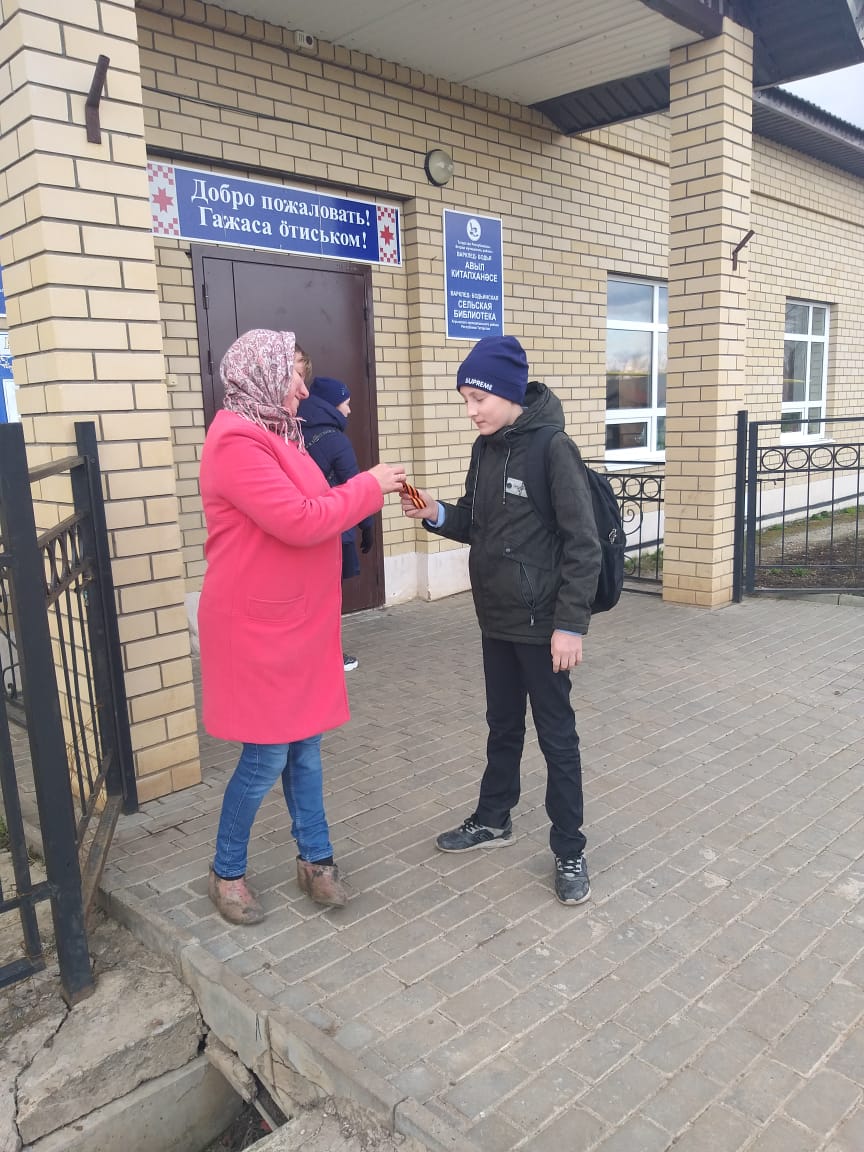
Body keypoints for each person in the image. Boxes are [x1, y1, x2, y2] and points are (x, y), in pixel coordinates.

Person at [198, 329, 406, 924]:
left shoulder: (278, 434)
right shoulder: (236, 441)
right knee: (266, 755)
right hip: (257, 629)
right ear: (262, 376)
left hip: (297, 624)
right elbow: (299, 519)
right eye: (292, 375)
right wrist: (367, 486)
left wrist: (359, 491)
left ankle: (316, 860)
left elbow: (312, 509)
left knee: (306, 747)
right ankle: (226, 871)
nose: (301, 389)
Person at [401, 335, 601, 905]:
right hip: (496, 618)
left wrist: (570, 626)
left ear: (508, 392)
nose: (471, 411)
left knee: (557, 737)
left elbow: (583, 544)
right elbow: (478, 522)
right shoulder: (485, 449)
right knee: (503, 725)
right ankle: (494, 819)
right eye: (465, 399)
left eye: (478, 398)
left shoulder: (553, 449)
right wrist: (437, 512)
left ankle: (569, 847)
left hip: (544, 626)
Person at [298, 376, 374, 672]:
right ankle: (329, 656)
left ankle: (304, 654)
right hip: (333, 531)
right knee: (328, 599)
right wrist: (367, 526)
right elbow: (355, 487)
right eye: (346, 403)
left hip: (301, 530)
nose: (350, 410)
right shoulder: (335, 439)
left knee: (306, 598)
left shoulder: (291, 432)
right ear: (331, 404)